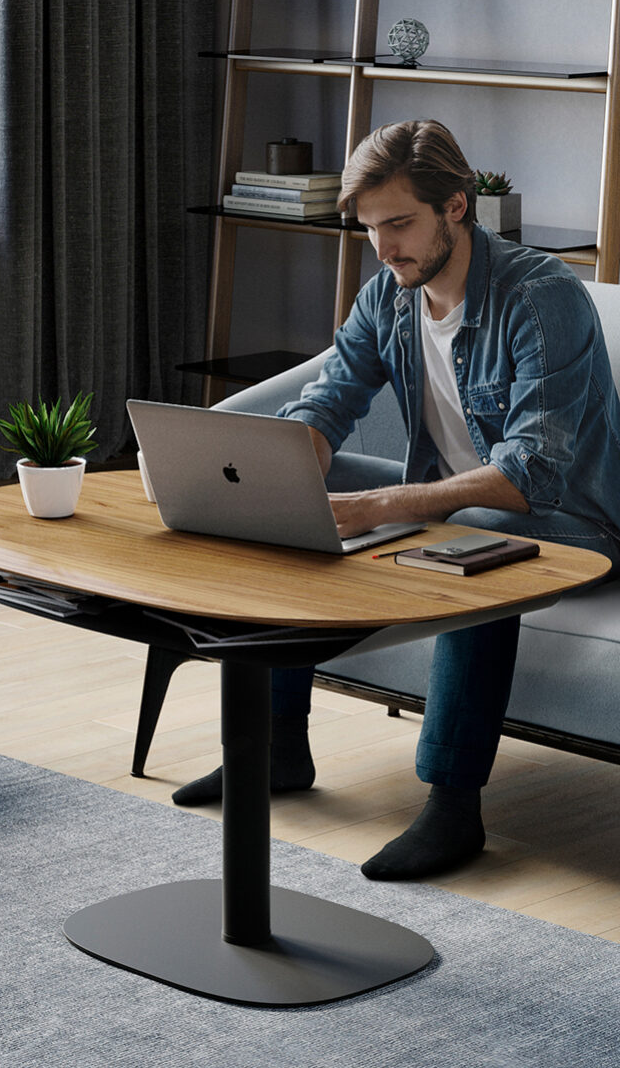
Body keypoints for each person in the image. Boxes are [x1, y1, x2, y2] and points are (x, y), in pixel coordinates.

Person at [172, 119, 620, 880]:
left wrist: (384, 507)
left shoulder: (541, 296)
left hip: (573, 528)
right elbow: (327, 402)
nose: (383, 248)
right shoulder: (389, 294)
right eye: (370, 228)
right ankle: (275, 746)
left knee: (476, 529)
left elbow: (532, 476)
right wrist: (296, 469)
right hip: (454, 506)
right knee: (296, 486)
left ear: (456, 206)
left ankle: (453, 807)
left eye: (399, 224)